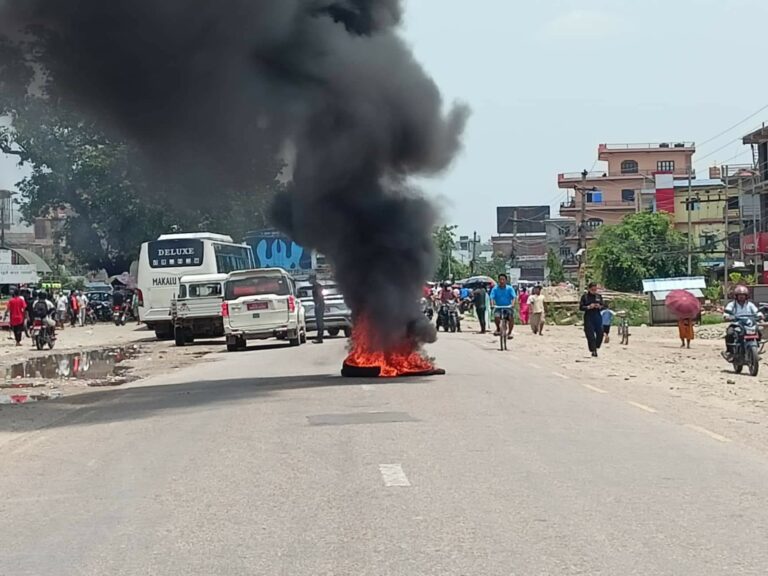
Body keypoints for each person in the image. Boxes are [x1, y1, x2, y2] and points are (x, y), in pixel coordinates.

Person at [722, 284, 762, 360]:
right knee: (730, 333)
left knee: (758, 331)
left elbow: (757, 312)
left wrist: (760, 315)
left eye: (743, 295)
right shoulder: (732, 304)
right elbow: (726, 313)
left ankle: (756, 350)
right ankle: (730, 352)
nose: (741, 297)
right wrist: (727, 317)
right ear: (736, 296)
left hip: (749, 323)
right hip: (736, 324)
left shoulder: (750, 304)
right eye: (739, 295)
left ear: (746, 296)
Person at [579, 282, 604, 357]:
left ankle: (597, 346)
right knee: (590, 335)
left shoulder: (599, 296)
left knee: (600, 333)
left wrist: (599, 306)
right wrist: (589, 307)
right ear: (589, 289)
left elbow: (603, 306)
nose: (594, 291)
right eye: (592, 289)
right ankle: (593, 350)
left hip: (597, 316)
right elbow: (581, 307)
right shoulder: (585, 297)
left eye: (595, 289)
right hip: (589, 317)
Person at [490, 273, 516, 338]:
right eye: (500, 279)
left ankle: (509, 332)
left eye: (503, 279)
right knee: (496, 317)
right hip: (498, 307)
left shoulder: (509, 288)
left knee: (511, 318)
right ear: (498, 280)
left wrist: (512, 304)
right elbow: (492, 297)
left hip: (508, 307)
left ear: (506, 280)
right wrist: (492, 304)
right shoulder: (495, 289)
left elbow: (513, 297)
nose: (502, 281)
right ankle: (498, 328)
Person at [311, 275, 325, 344]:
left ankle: (320, 338)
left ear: (313, 279)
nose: (309, 281)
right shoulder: (315, 286)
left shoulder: (317, 286)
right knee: (318, 321)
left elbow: (319, 295)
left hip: (319, 305)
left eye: (310, 279)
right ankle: (319, 337)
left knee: (319, 321)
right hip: (318, 305)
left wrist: (318, 304)